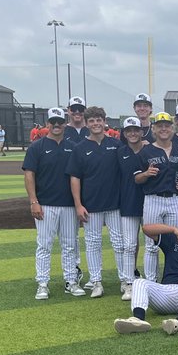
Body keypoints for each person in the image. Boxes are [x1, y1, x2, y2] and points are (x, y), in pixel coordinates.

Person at [114, 213, 178, 335]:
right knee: (139, 282)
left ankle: (177, 322)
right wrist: (173, 229)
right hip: (166, 292)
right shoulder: (174, 240)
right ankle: (138, 320)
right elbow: (146, 229)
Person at [22, 108, 83, 299]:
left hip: (68, 205)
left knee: (70, 245)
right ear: (47, 124)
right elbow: (29, 174)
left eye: (60, 122)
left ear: (65, 123)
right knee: (44, 245)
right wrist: (34, 201)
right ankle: (42, 283)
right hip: (45, 204)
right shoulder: (37, 147)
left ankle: (71, 281)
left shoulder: (73, 147)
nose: (56, 125)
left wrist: (79, 204)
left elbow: (78, 176)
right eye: (53, 122)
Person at [68, 105, 124, 298]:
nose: (95, 123)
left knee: (119, 243)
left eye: (98, 120)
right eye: (91, 120)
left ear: (104, 121)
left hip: (115, 205)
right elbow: (75, 177)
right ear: (86, 123)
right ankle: (96, 281)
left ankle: (125, 281)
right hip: (91, 205)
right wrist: (78, 204)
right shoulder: (80, 148)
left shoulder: (116, 145)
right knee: (92, 244)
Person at [136, 111, 178, 281]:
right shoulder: (146, 151)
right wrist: (146, 174)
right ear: (154, 129)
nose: (164, 129)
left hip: (174, 199)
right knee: (151, 245)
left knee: (174, 243)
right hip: (153, 199)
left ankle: (172, 279)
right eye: (160, 126)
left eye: (167, 125)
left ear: (172, 128)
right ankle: (150, 282)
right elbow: (136, 178)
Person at [116, 116, 148, 300]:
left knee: (151, 245)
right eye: (129, 131)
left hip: (150, 202)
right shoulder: (120, 152)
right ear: (125, 134)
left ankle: (151, 281)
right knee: (129, 245)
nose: (133, 133)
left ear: (141, 131)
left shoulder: (150, 150)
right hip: (128, 202)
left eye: (136, 130)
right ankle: (129, 282)